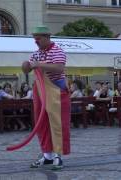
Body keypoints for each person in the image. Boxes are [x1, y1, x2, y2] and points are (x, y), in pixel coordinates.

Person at [28, 25, 70, 170]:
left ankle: (58, 155)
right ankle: (47, 155)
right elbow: (27, 67)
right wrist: (25, 66)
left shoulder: (57, 51)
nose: (36, 41)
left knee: (57, 123)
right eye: (35, 39)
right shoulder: (36, 53)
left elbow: (59, 68)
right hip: (40, 89)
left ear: (46, 37)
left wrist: (38, 64)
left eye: (38, 39)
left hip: (56, 89)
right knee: (42, 123)